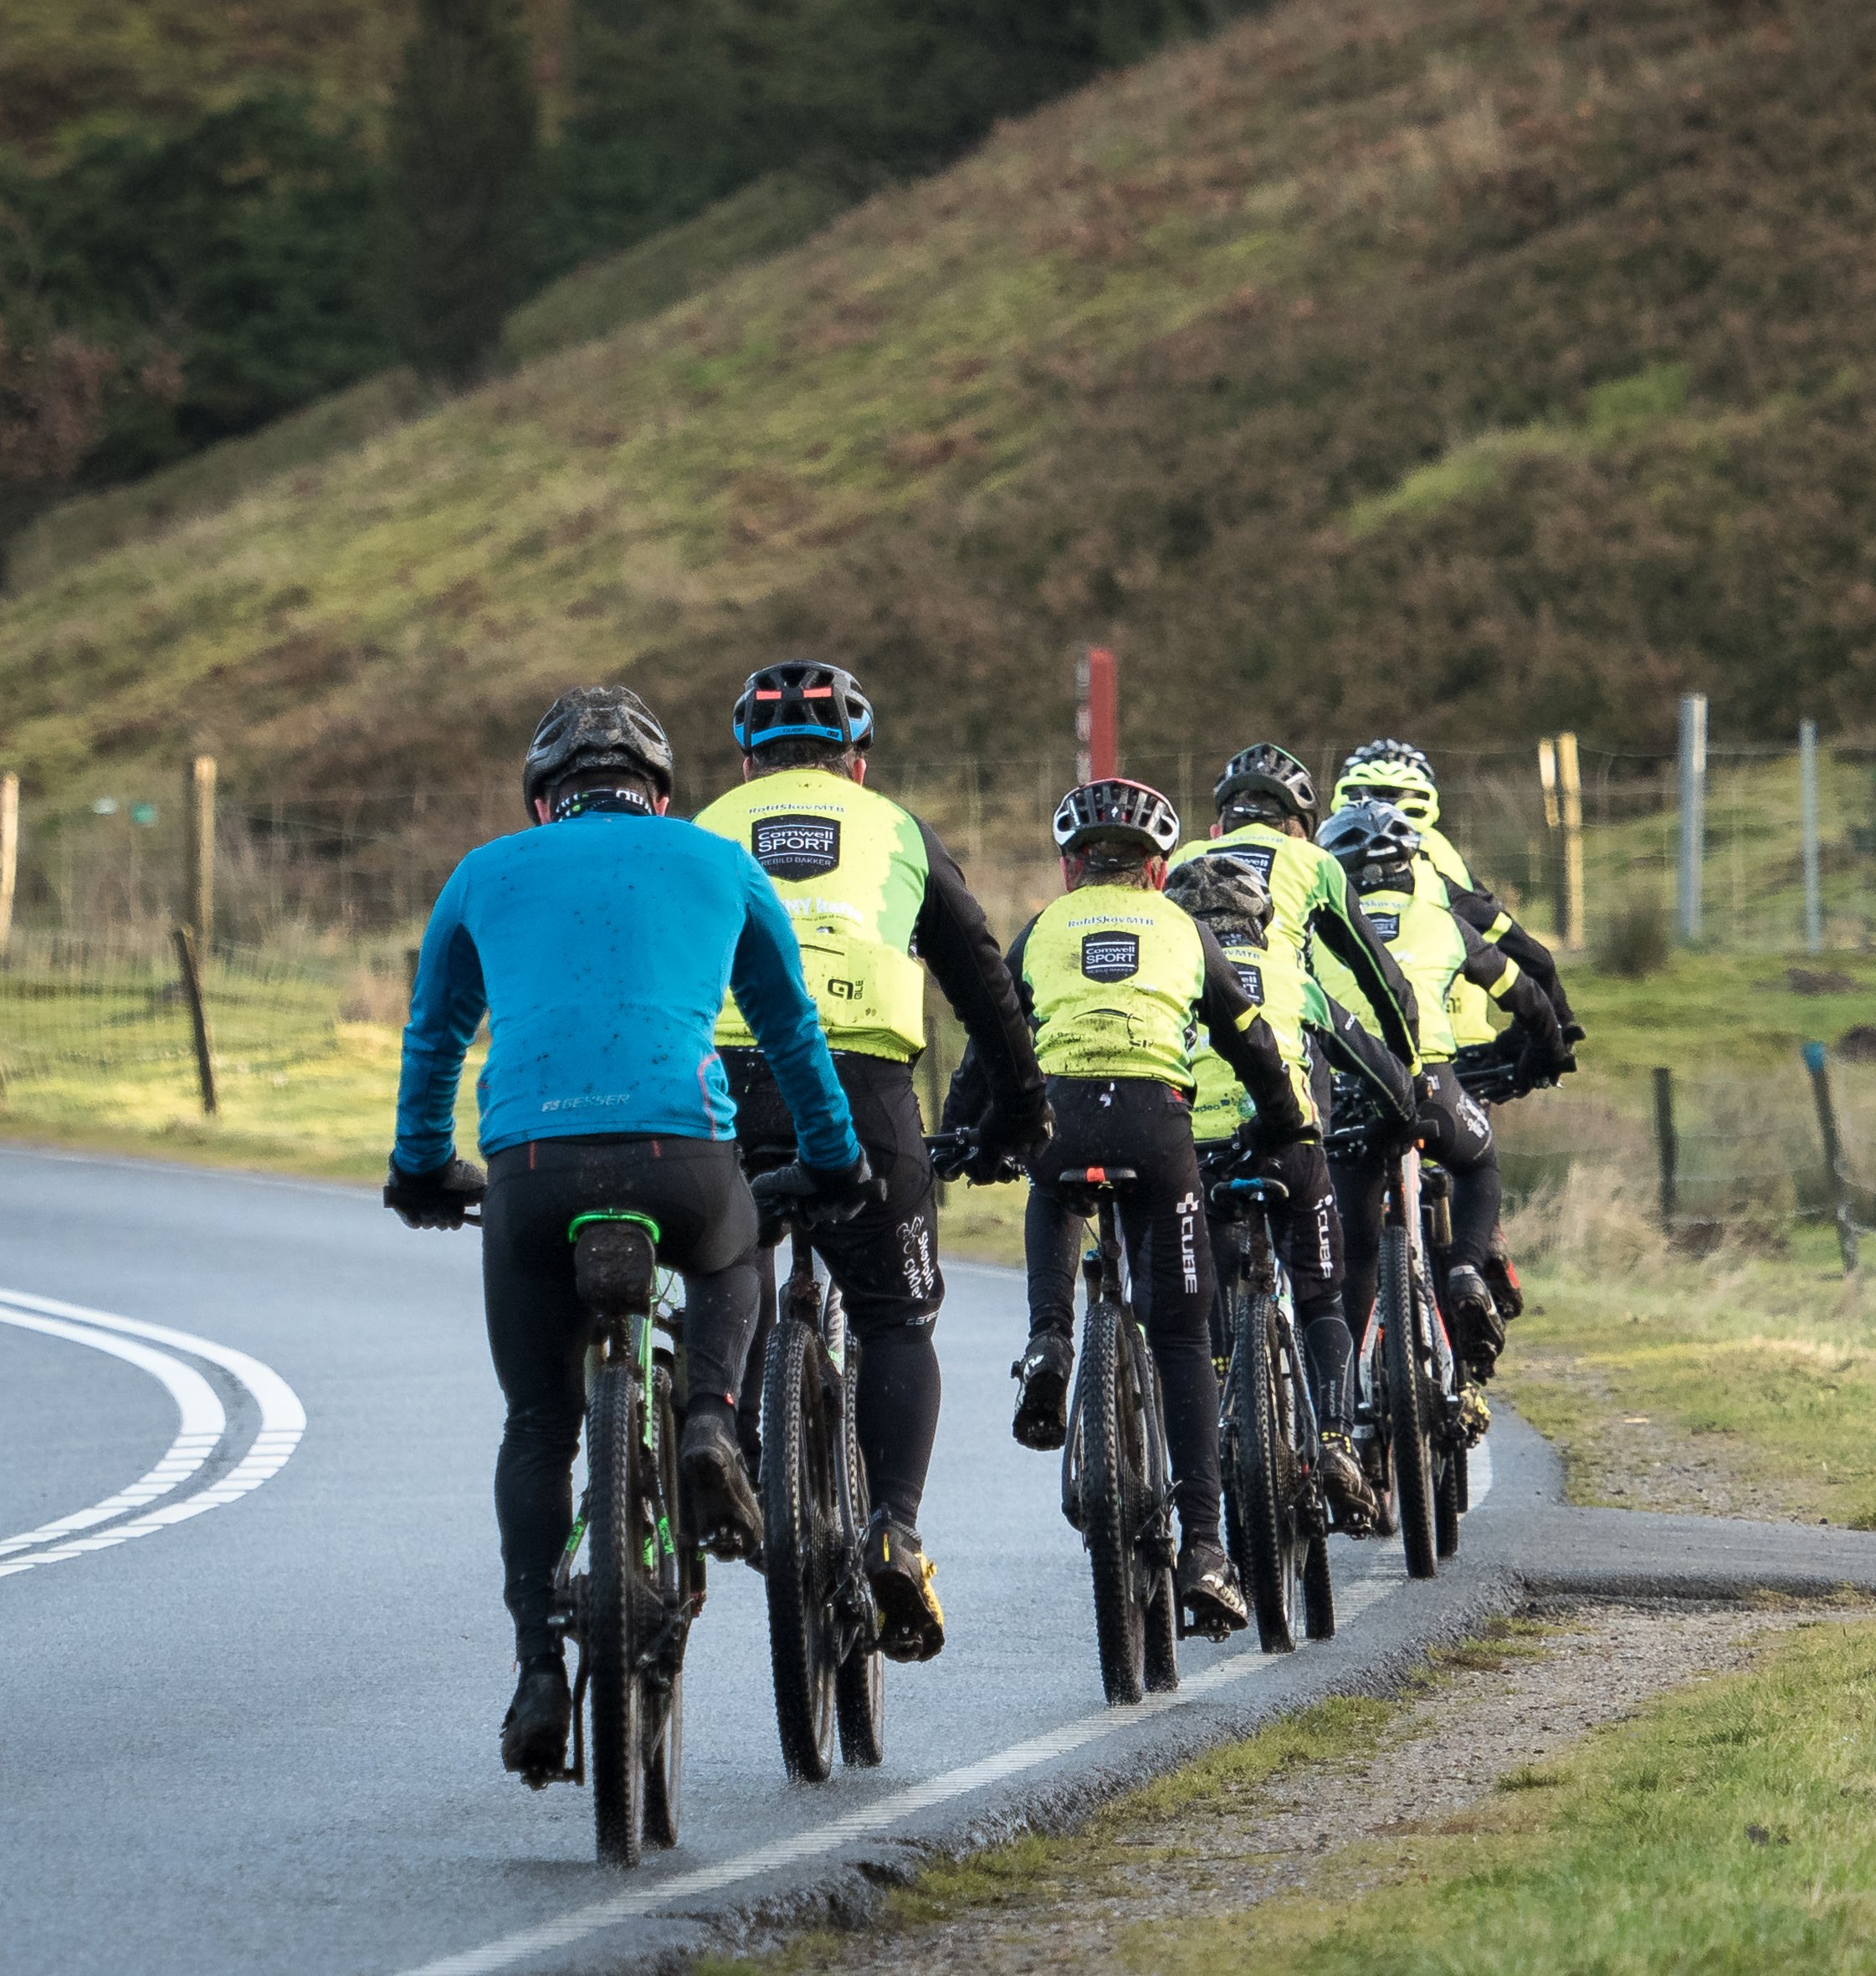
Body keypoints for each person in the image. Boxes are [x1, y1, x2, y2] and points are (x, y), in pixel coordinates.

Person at [383, 685, 875, 1780]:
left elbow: (434, 1035)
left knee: (536, 1423)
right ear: (659, 792)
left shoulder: (484, 871)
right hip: (683, 1158)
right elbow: (792, 1031)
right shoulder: (718, 862)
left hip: (531, 1169)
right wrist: (835, 1152)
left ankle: (535, 1671)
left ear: (543, 798)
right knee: (733, 1238)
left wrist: (420, 1164)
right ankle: (708, 1418)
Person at [694, 660, 1050, 1664]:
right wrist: (1021, 1103)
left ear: (748, 757)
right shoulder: (892, 827)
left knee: (732, 1264)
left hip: (725, 1077)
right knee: (895, 1315)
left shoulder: (709, 824)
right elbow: (980, 970)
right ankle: (894, 1525)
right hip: (864, 1088)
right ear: (856, 759)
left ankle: (746, 1454)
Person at [941, 778, 1310, 1636]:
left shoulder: (1042, 927)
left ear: (1070, 867)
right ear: (1156, 869)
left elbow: (990, 1040)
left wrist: (965, 1134)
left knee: (1049, 1178)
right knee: (1179, 1334)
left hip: (1062, 1117)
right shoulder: (1181, 926)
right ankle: (1208, 1549)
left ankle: (1048, 1340)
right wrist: (1286, 1118)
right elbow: (1248, 1036)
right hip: (1157, 1126)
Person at [1163, 853, 1410, 1532]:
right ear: (1260, 920)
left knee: (1200, 1300)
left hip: (1199, 1156)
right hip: (1294, 1153)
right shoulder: (1293, 980)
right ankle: (1333, 1440)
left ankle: (1216, 1403)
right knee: (1320, 1298)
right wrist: (1397, 1117)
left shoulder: (1169, 974)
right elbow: (1382, 1071)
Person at [1312, 799, 1567, 1383]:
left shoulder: (1320, 933)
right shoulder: (1444, 924)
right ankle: (1465, 1272)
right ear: (1410, 864)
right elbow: (1526, 995)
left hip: (1355, 1098)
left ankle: (1350, 1409)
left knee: (1356, 1259)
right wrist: (1543, 1055)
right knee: (1478, 1168)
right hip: (1434, 1087)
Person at [1167, 743, 1422, 1089]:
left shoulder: (1186, 856)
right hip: (1284, 1026)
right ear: (1299, 825)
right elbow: (1382, 977)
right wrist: (1411, 1069)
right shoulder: (1314, 860)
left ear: (1223, 821)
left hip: (1189, 1036)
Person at [1331, 739, 1581, 1052]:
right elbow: (1526, 951)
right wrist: (1558, 1023)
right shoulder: (1440, 859)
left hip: (1343, 1043)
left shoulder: (1323, 858)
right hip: (1455, 1044)